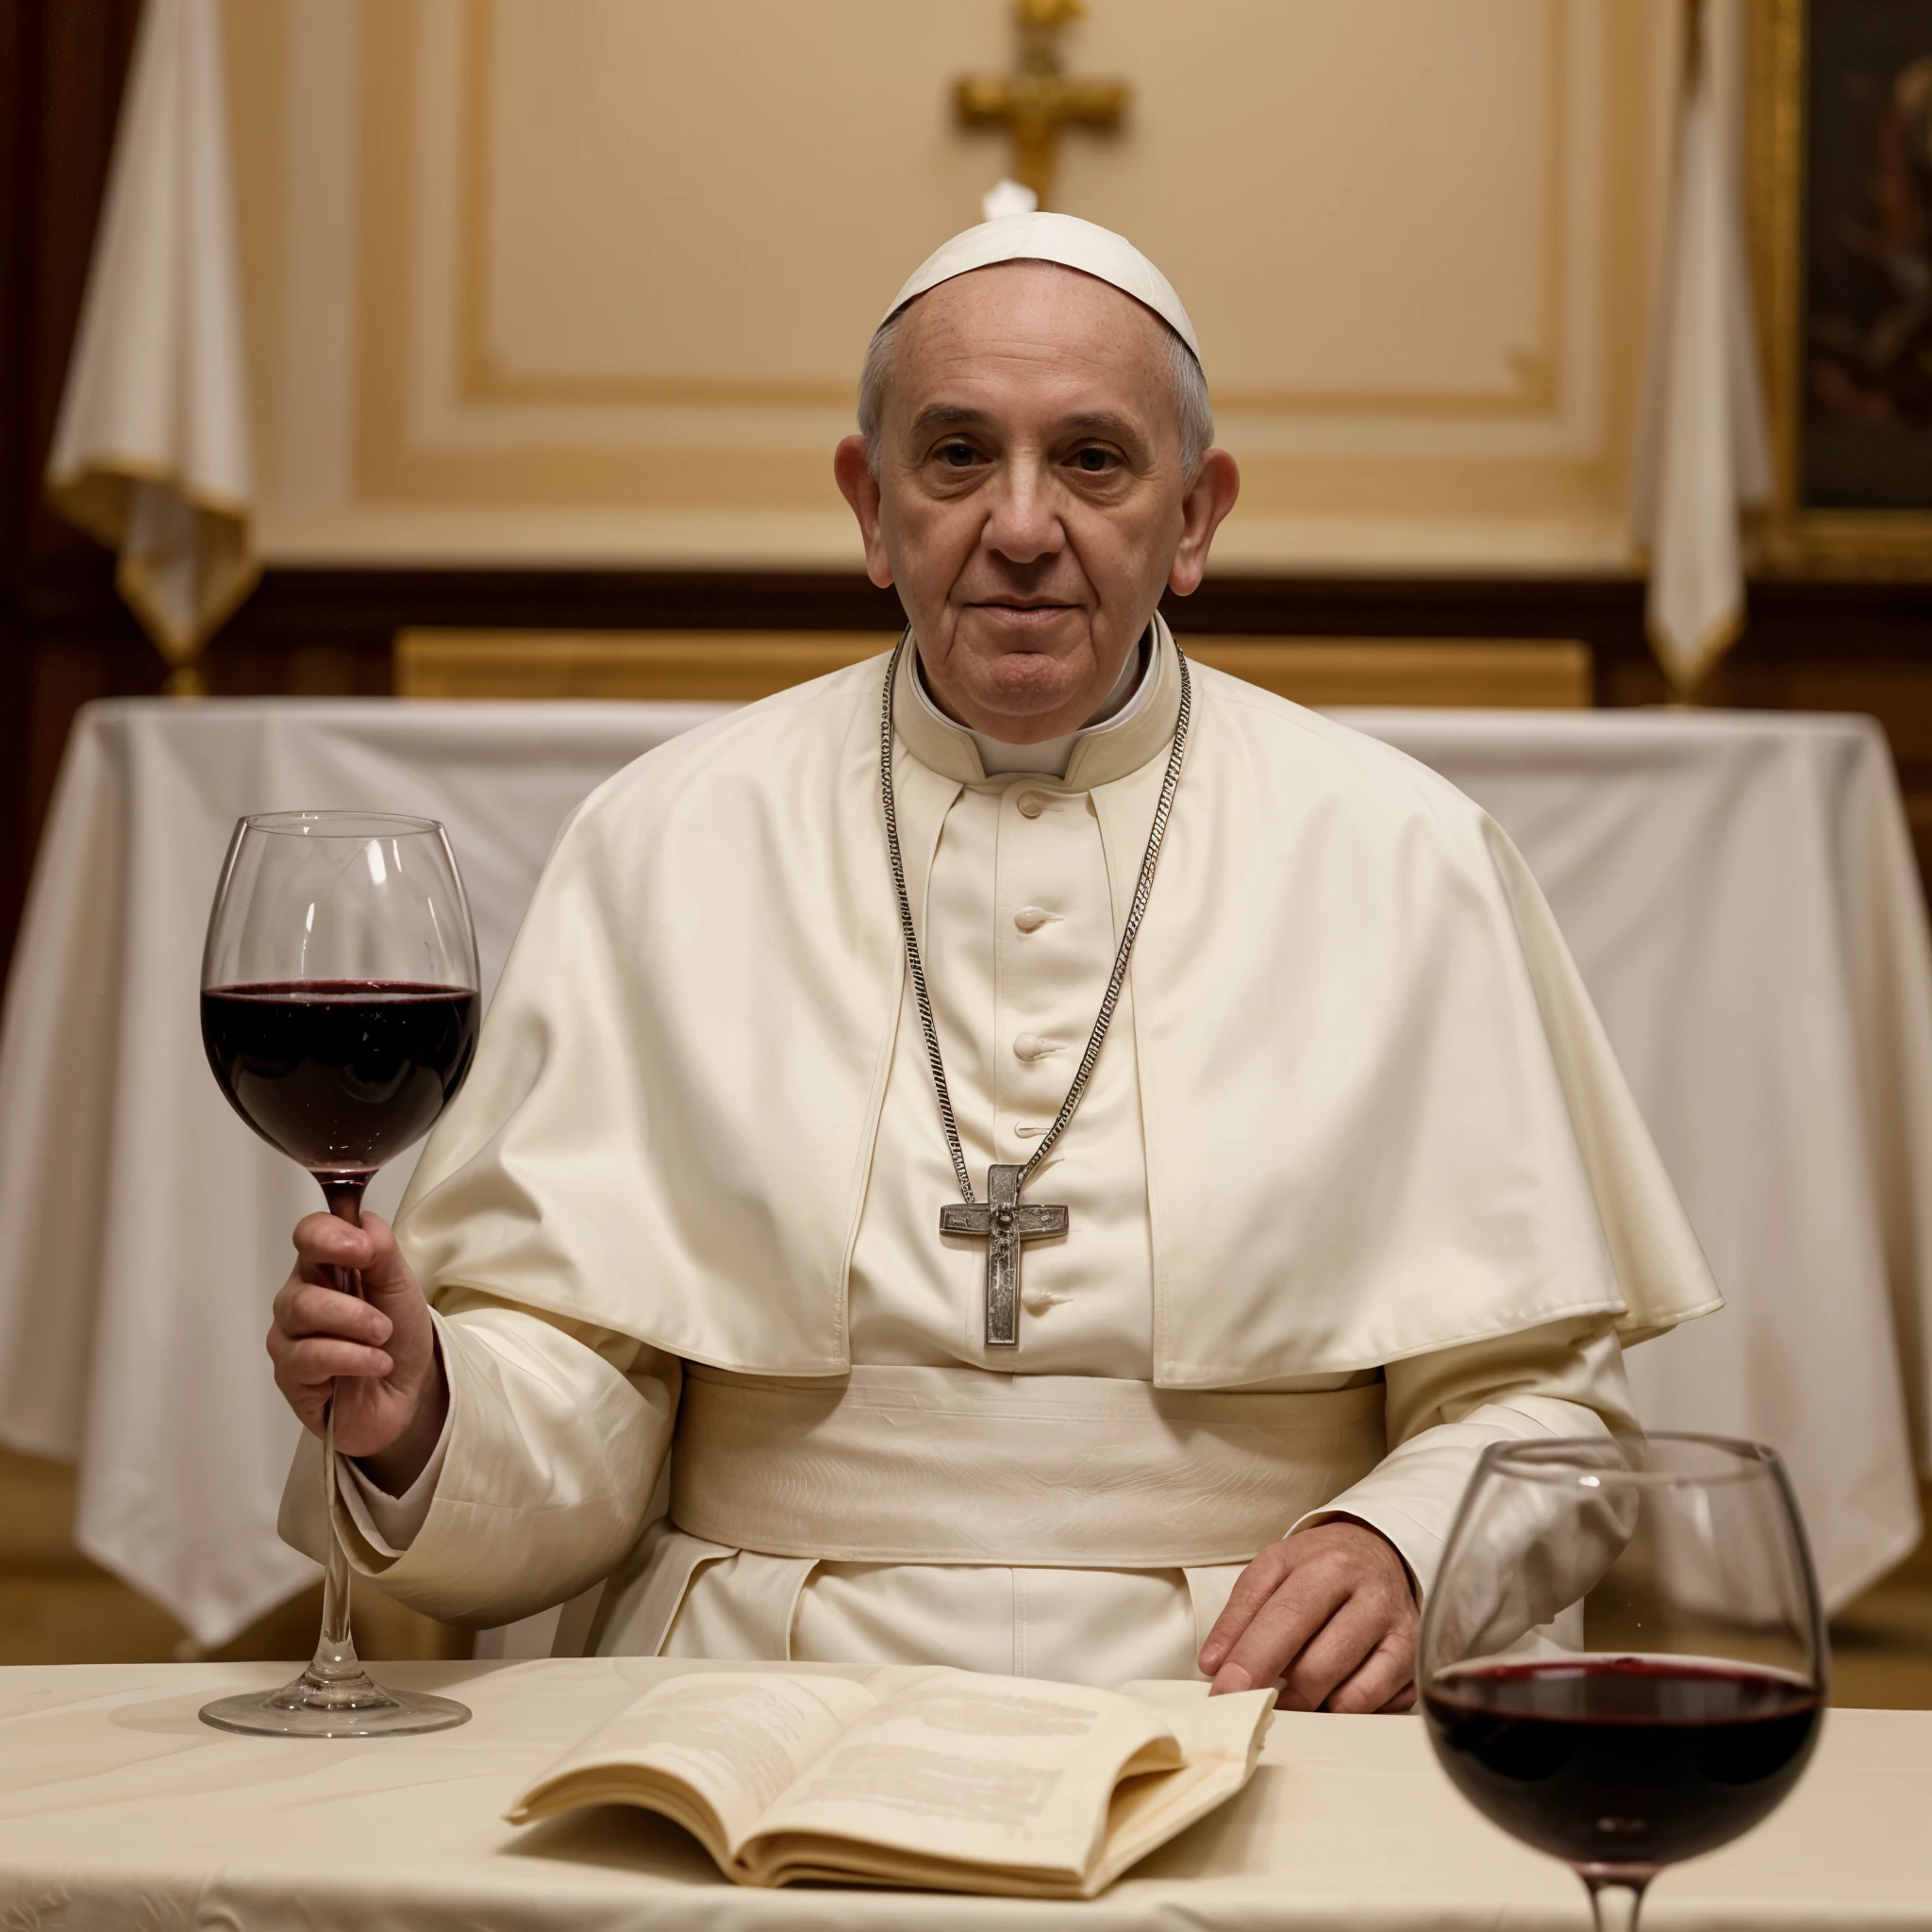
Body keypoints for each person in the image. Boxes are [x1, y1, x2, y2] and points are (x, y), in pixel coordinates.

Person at [271, 213, 1718, 1712]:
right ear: (870, 504)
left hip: (1262, 1704)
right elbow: (583, 1420)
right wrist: (425, 1413)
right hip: (747, 1696)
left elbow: (1542, 1406)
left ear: (1198, 514)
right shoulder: (666, 839)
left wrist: (1410, 1546)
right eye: (956, 455)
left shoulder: (1409, 854)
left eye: (1093, 459)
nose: (1021, 525)